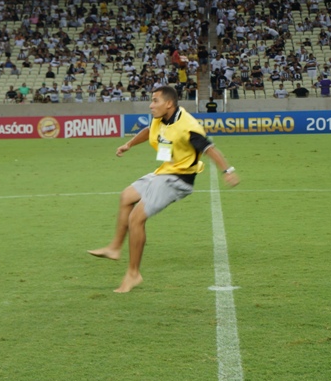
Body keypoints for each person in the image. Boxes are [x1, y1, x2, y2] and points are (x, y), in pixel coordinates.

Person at [88, 86, 239, 293]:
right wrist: (129, 145)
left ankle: (133, 274)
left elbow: (209, 149)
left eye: (155, 100)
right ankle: (115, 248)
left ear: (169, 103)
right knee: (126, 196)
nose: (151, 105)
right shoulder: (160, 119)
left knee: (136, 218)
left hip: (179, 179)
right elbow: (148, 131)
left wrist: (227, 171)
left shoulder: (188, 126)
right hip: (165, 172)